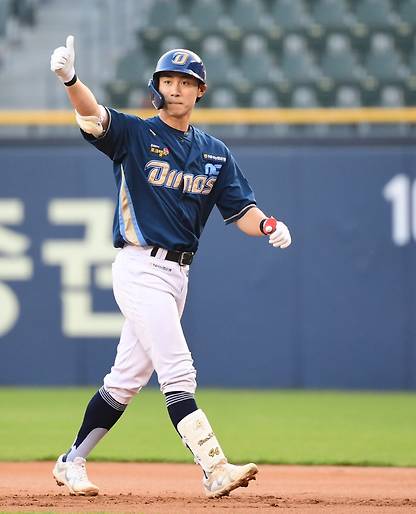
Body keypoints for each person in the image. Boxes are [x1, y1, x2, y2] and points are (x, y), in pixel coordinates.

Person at [49, 35, 292, 498]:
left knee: (124, 382)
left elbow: (241, 212)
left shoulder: (215, 152)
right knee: (178, 370)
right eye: (168, 80)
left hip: (178, 274)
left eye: (185, 81)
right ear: (155, 86)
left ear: (201, 90)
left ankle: (71, 461)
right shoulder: (136, 134)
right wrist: (71, 79)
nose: (175, 88)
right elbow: (93, 115)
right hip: (139, 267)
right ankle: (214, 468)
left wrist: (268, 226)